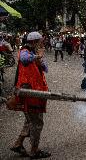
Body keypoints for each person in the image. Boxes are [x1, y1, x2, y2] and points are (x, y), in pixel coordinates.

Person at [11, 31, 51, 159]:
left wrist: (40, 59)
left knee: (30, 120)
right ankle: (34, 150)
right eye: (39, 41)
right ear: (34, 42)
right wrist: (37, 57)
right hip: (30, 92)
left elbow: (45, 69)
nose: (41, 43)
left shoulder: (34, 53)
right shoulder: (25, 51)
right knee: (36, 122)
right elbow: (24, 59)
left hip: (36, 91)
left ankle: (18, 144)